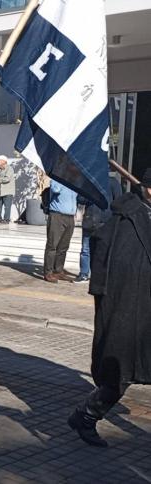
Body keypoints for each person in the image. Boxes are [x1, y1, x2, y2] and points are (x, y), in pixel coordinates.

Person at [67, 168, 151, 447]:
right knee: (120, 371)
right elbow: (106, 255)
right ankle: (86, 415)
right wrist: (105, 297)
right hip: (128, 306)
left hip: (145, 307)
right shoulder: (127, 217)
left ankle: (85, 415)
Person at [73, 168, 123, 284]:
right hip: (90, 220)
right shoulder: (89, 182)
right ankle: (84, 274)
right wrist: (90, 196)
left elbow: (118, 201)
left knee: (103, 250)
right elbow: (80, 198)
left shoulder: (113, 183)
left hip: (106, 221)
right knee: (85, 249)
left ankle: (101, 275)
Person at [43, 179, 78, 283]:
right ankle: (48, 272)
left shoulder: (74, 182)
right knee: (52, 245)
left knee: (63, 246)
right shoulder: (57, 179)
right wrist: (64, 180)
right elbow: (55, 189)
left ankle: (58, 270)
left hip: (70, 217)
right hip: (57, 215)